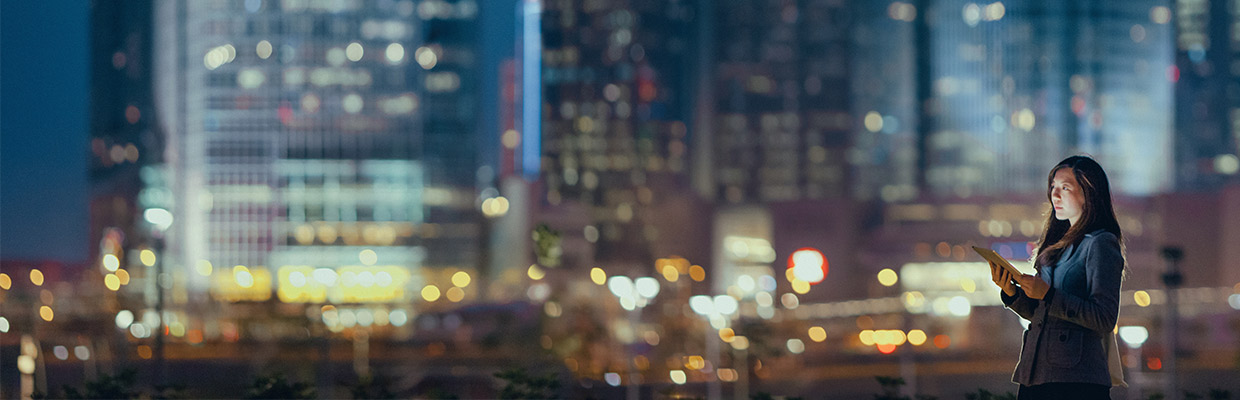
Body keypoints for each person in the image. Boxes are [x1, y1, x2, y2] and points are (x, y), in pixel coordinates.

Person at [989, 155, 1127, 400]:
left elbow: (1104, 318)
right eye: (1053, 187)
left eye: (1065, 188)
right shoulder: (1055, 245)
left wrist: (1048, 294)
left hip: (1077, 379)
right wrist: (1012, 293)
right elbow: (1044, 314)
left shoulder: (1100, 243)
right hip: (1036, 372)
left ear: (1089, 193)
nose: (1055, 195)